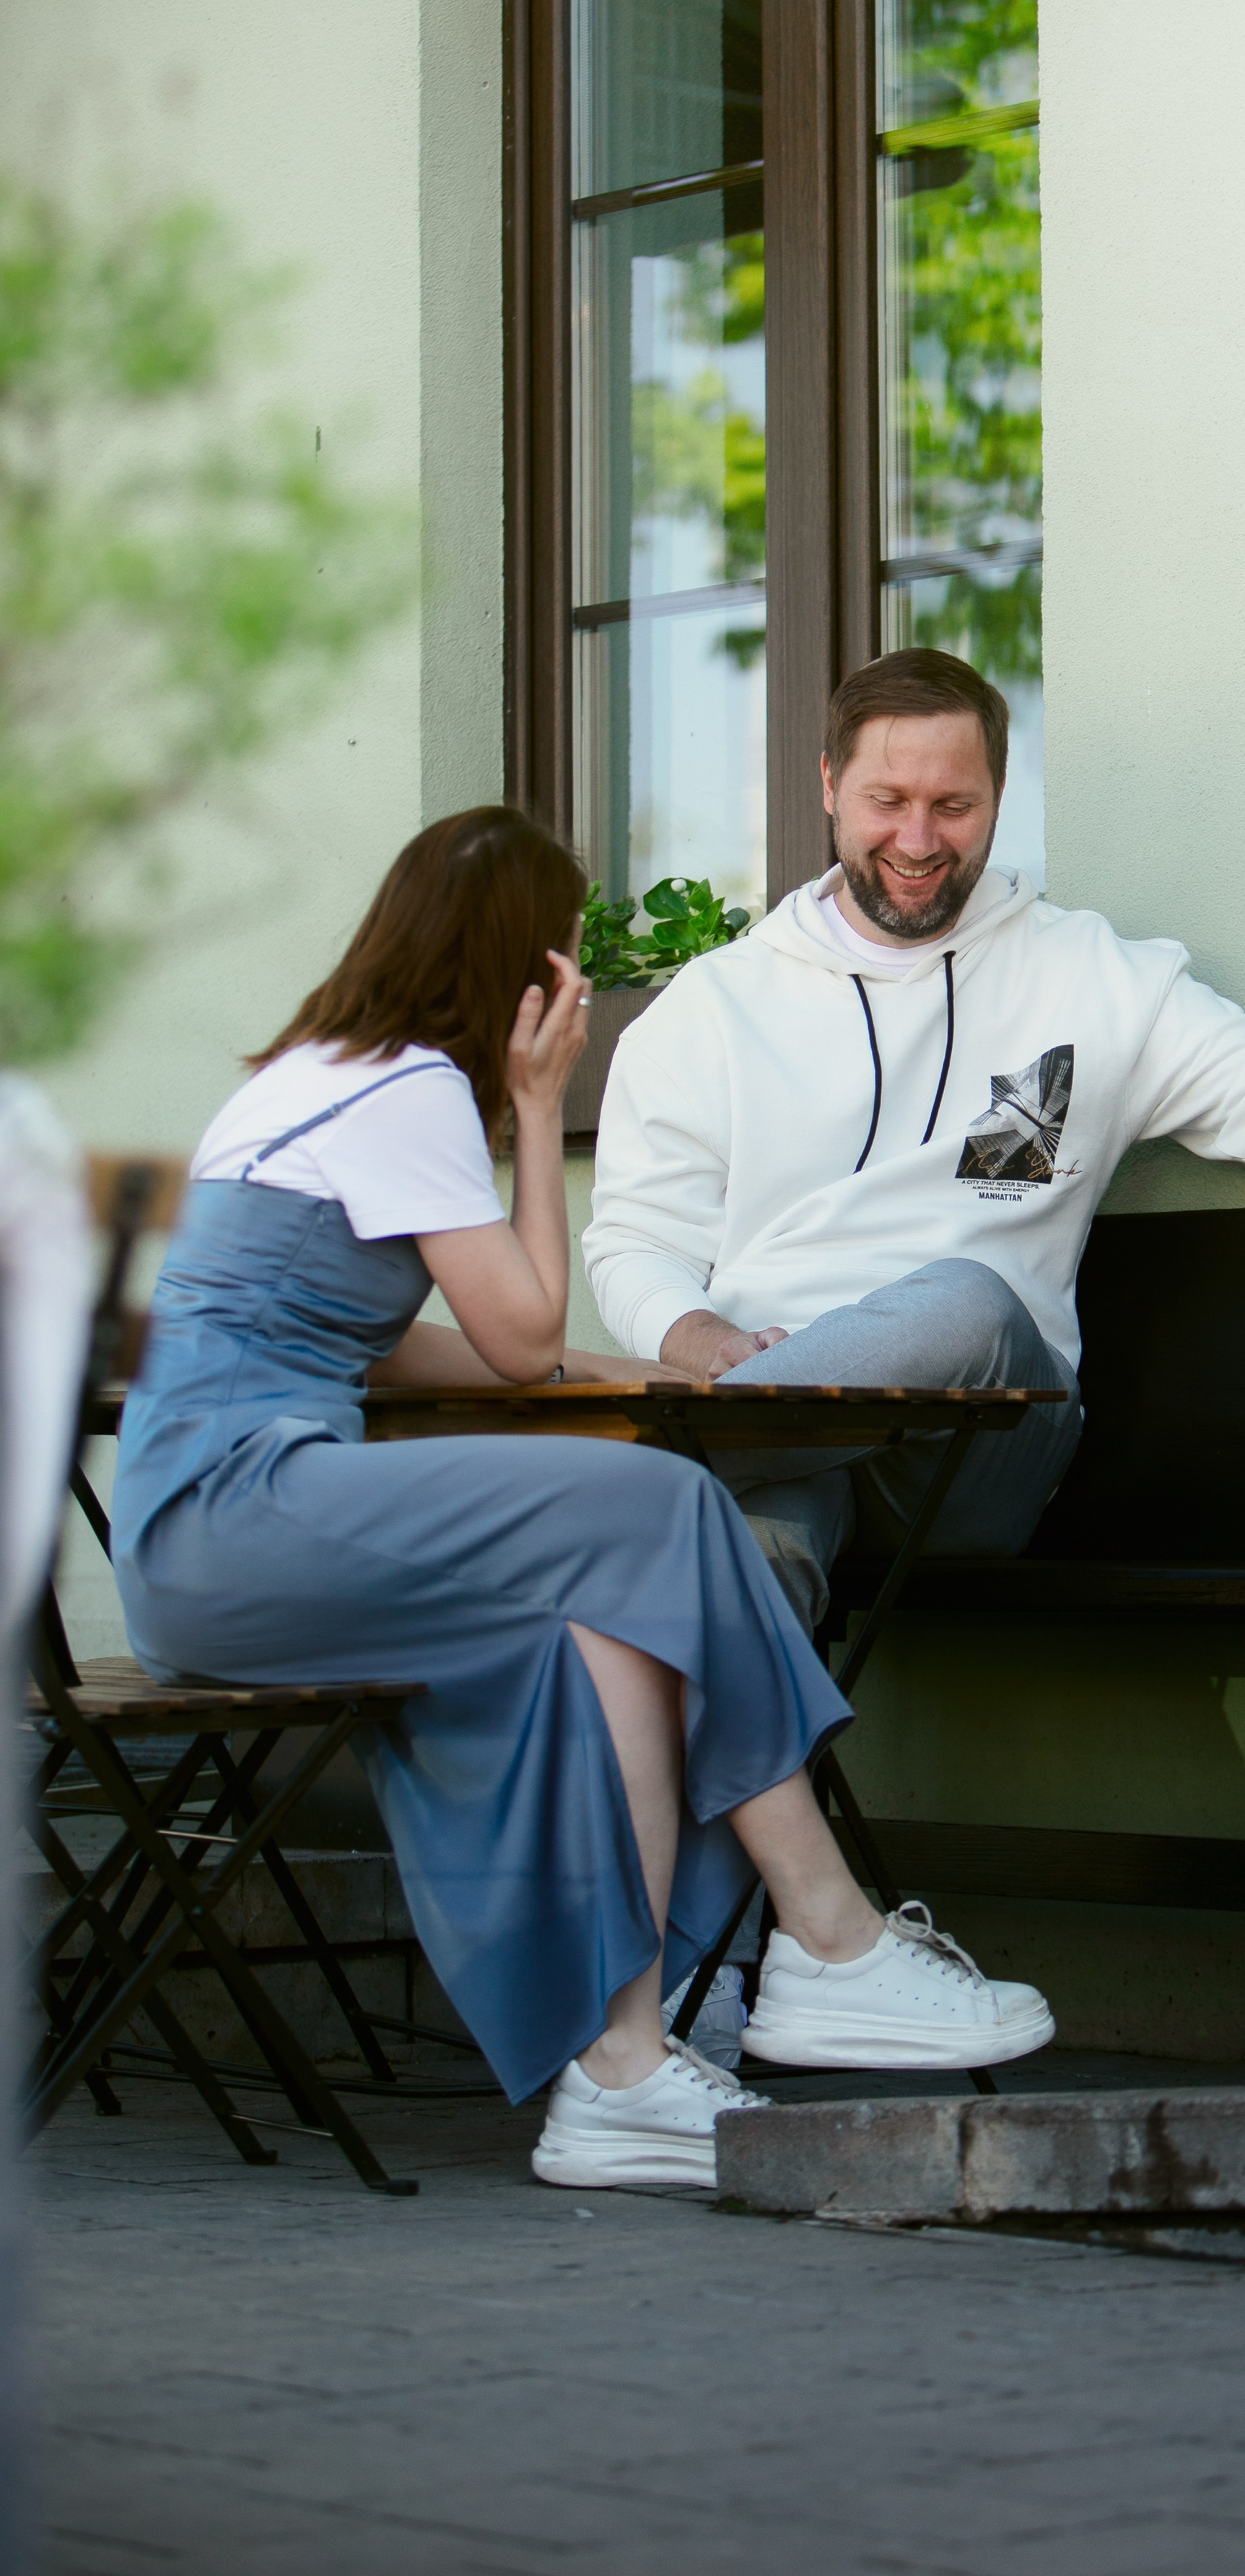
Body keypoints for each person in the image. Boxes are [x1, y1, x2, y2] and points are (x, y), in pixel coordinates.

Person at [110, 807, 1056, 2191]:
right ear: (527, 964)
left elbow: (377, 1340)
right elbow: (510, 1330)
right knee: (659, 1503)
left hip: (210, 1530)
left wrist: (613, 1366)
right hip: (243, 1509)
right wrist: (546, 1107)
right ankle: (830, 1935)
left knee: (612, 1622)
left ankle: (620, 2069)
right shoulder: (407, 1093)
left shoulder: (312, 1074)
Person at [583, 650, 1245, 1622]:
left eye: (954, 805)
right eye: (887, 802)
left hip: (973, 1453)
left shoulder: (1088, 978)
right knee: (750, 1557)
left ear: (1000, 796)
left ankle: (679, 1454)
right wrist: (712, 1346)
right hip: (778, 1426)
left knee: (967, 1295)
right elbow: (637, 1241)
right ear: (827, 787)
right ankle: (725, 1807)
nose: (917, 841)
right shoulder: (712, 1008)